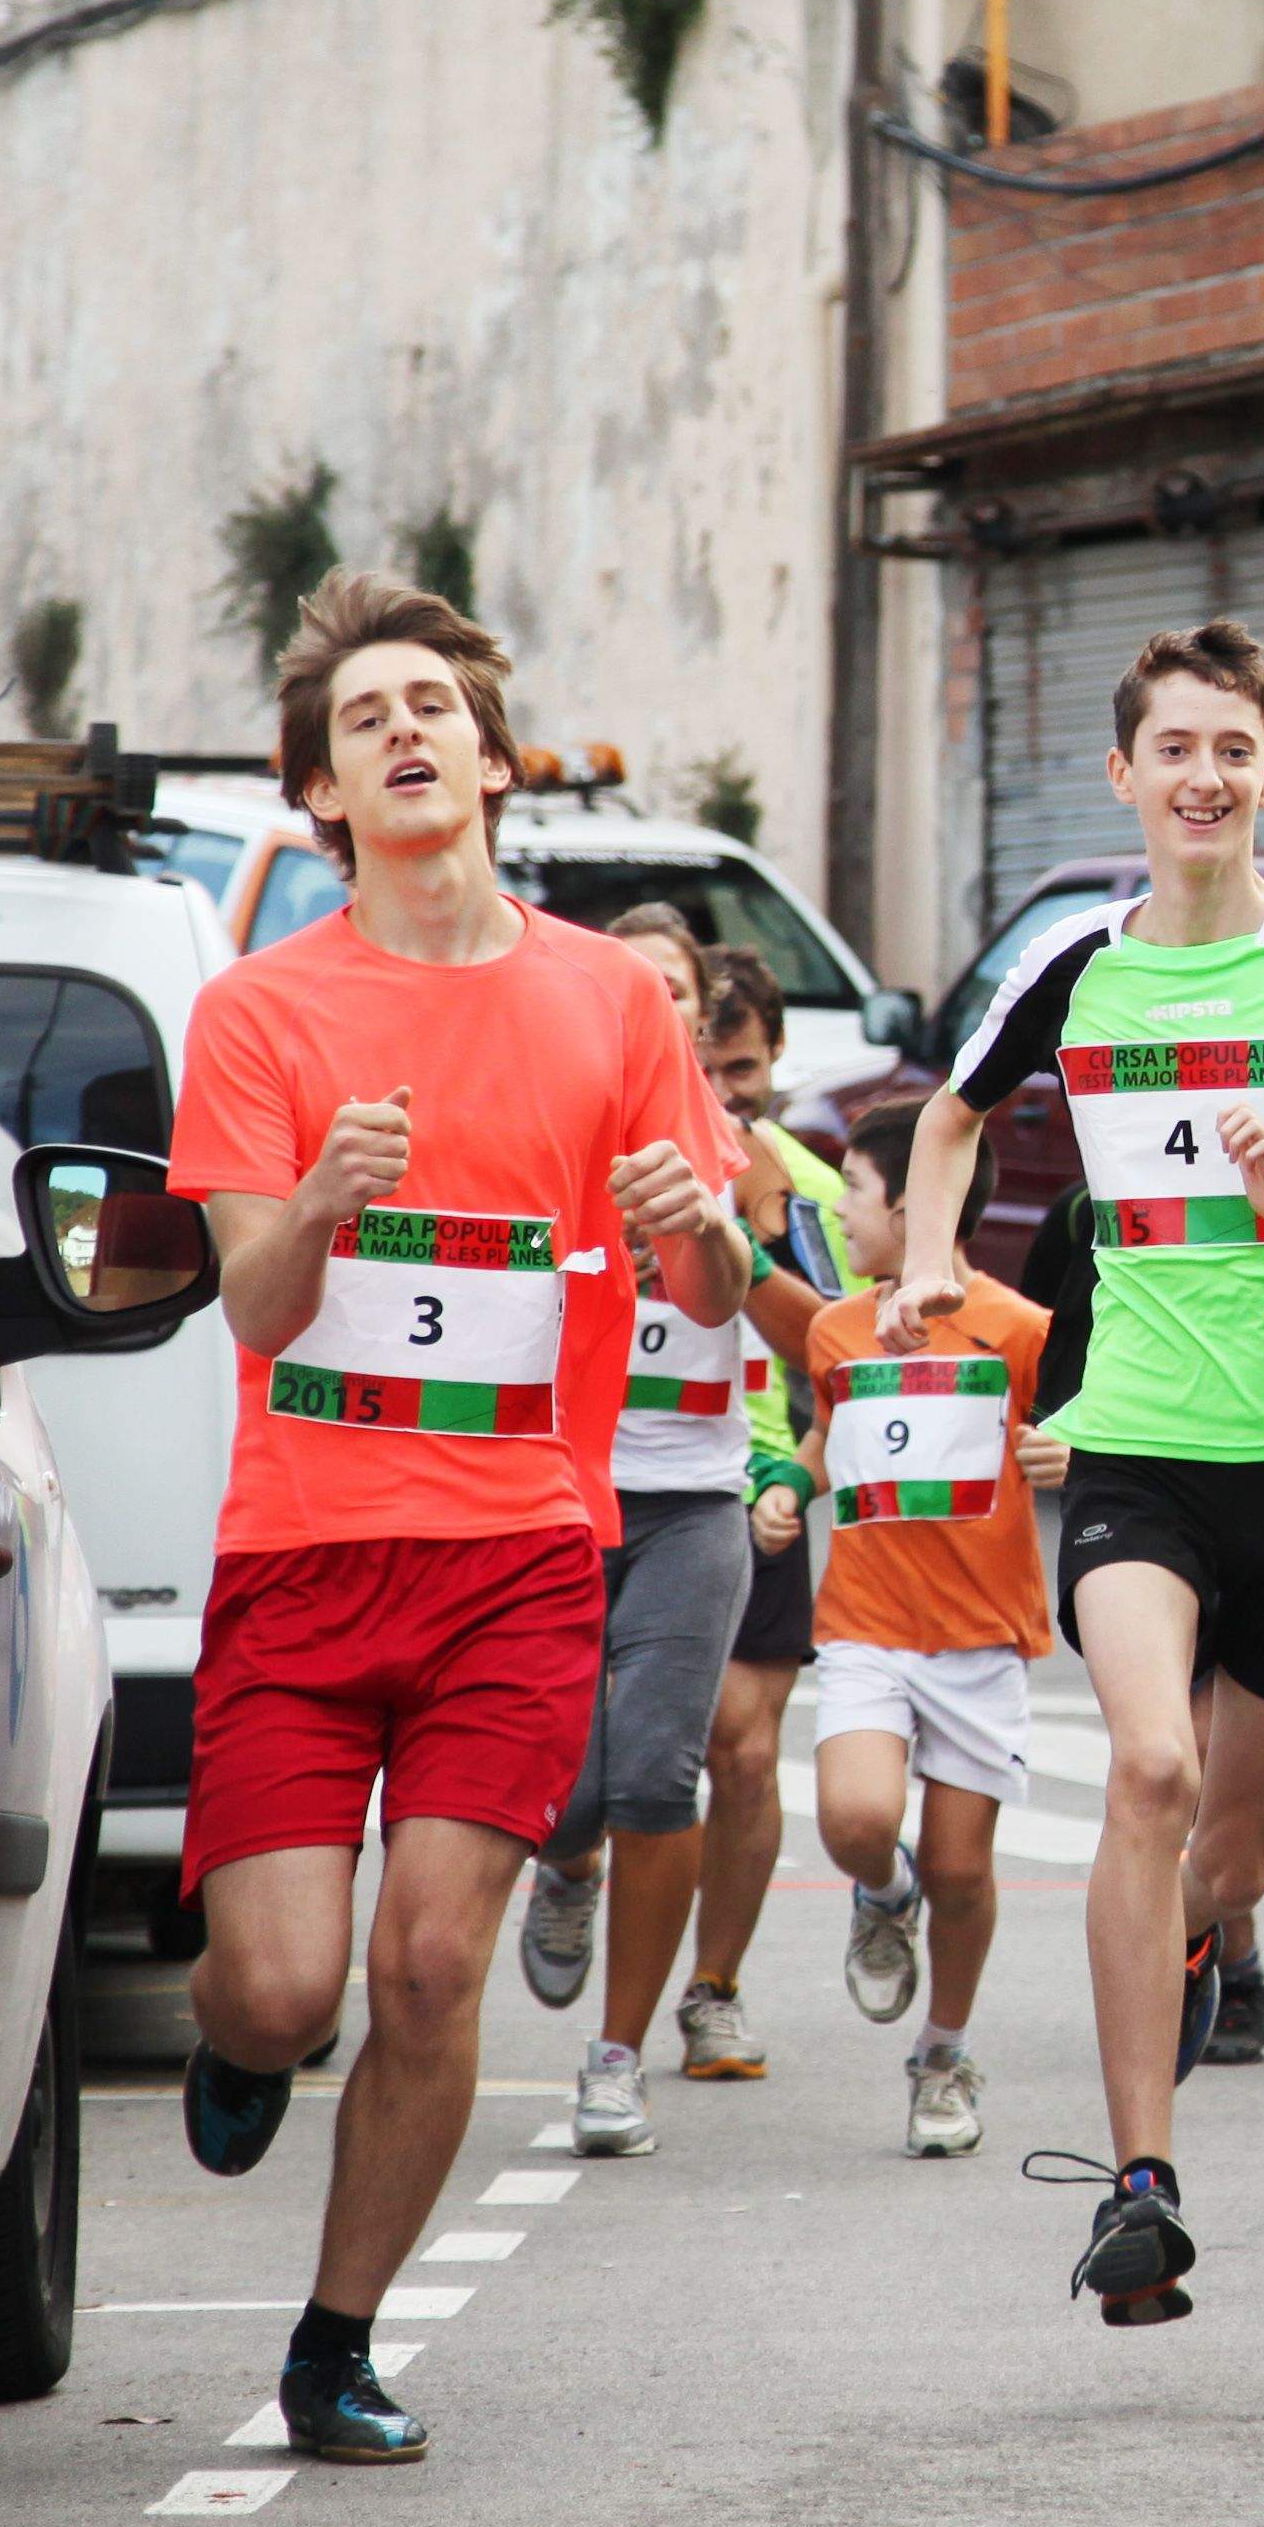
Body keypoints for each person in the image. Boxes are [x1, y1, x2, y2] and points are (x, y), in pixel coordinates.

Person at [167, 572, 747, 2463]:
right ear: (321, 794)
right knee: (285, 1985)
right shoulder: (259, 1011)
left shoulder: (609, 997)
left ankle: (335, 2343)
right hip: (304, 1553)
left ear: (494, 762)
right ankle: (241, 2037)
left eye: (434, 707)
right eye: (364, 720)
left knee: (426, 1962)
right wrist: (321, 1203)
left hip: (519, 1552)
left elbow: (723, 1287)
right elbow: (258, 1309)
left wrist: (702, 1226)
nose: (404, 732)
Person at [880, 621, 1264, 2323]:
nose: (1205, 776)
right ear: (1125, 774)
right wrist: (928, 1257)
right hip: (1137, 1441)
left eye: (1234, 748)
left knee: (1223, 1857)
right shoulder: (1074, 966)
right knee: (1146, 1770)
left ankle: (1226, 1910)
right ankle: (1139, 2186)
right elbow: (952, 1111)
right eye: (1176, 748)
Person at [513, 914, 798, 2157]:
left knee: (654, 1775)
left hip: (693, 1501)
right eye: (626, 982)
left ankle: (617, 2059)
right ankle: (566, 1867)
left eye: (672, 988)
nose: (651, 1003)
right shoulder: (536, 1122)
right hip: (556, 1496)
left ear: (697, 1007)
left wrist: (712, 1229)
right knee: (565, 1795)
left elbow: (799, 1317)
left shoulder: (743, 1152)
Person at [797, 1104, 1059, 2159]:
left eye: (853, 1191)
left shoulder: (1021, 1329)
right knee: (856, 1819)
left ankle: (943, 2055)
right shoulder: (835, 1329)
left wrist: (1068, 1456)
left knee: (962, 1871)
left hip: (981, 1638)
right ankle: (881, 1892)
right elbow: (830, 1436)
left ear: (916, 1204)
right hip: (865, 1626)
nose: (839, 1213)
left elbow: (1079, 1433)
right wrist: (788, 1485)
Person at [685, 942, 847, 2075]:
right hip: (618, 1486)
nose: (722, 1093)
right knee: (600, 1752)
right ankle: (574, 1863)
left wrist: (747, 1236)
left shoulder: (809, 1186)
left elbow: (841, 1351)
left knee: (743, 1752)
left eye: (740, 1071)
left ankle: (715, 1988)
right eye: (702, 1069)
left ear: (778, 1055)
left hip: (758, 1485)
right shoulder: (604, 1154)